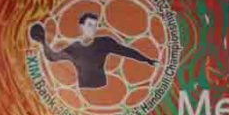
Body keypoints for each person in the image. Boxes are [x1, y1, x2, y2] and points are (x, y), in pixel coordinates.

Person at [29, 12, 157, 89]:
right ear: (81, 26)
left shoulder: (104, 42)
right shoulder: (74, 48)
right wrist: (43, 42)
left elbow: (127, 51)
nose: (93, 29)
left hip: (103, 90)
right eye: (90, 25)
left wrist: (147, 60)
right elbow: (53, 57)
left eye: (95, 25)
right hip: (83, 92)